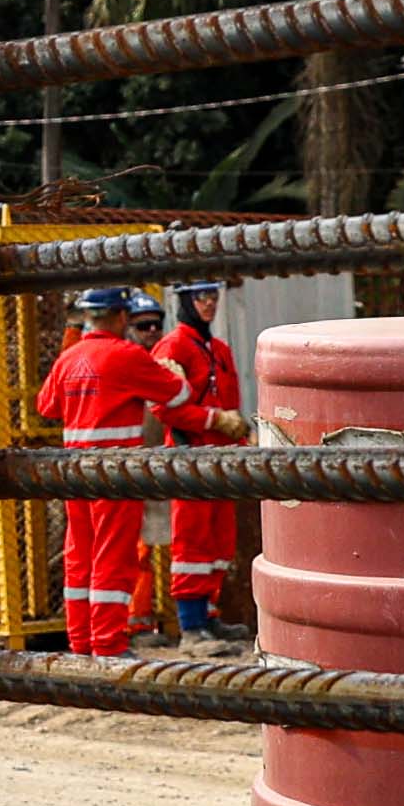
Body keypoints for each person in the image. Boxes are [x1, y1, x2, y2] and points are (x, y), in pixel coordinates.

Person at [36, 284, 186, 655]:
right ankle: (107, 643)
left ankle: (81, 641)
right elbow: (178, 395)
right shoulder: (127, 355)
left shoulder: (69, 358)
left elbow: (47, 407)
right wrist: (170, 371)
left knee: (79, 557)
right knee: (113, 556)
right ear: (121, 317)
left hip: (74, 474)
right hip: (114, 474)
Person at [157, 277, 249, 651]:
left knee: (220, 541)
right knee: (192, 541)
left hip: (220, 460)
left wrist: (239, 441)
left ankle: (209, 616)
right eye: (201, 297)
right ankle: (191, 628)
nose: (210, 303)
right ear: (184, 300)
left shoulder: (220, 349)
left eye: (213, 295)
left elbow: (231, 406)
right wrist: (214, 420)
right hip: (190, 458)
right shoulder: (173, 347)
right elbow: (164, 408)